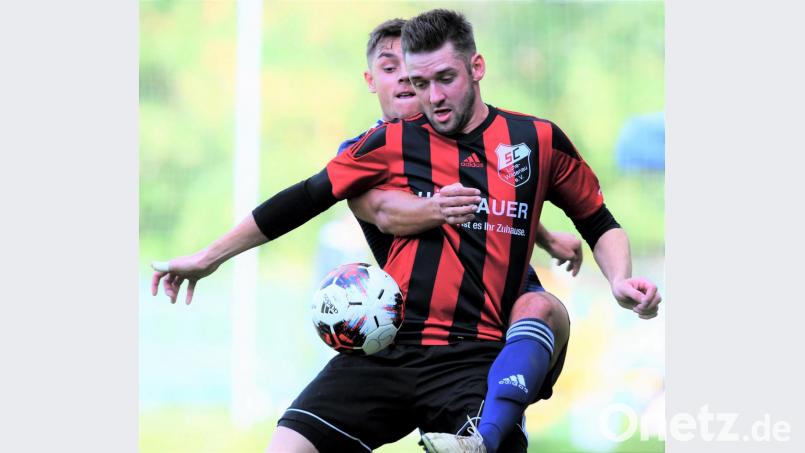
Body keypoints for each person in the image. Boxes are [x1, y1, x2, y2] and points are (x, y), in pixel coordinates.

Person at [152, 9, 661, 453]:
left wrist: (618, 279)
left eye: (444, 79)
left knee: (542, 305)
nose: (432, 97)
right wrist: (208, 257)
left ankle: (487, 432)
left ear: (477, 68)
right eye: (419, 83)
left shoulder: (535, 139)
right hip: (390, 344)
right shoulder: (384, 143)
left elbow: (597, 218)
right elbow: (305, 199)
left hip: (475, 354)